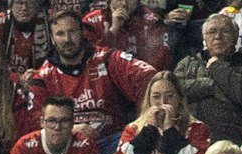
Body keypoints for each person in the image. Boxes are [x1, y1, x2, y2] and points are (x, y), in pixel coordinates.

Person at [27, 10, 158, 145]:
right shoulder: (42, 77)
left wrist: (140, 121)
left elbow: (149, 75)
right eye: (60, 34)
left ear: (82, 33)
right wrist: (70, 130)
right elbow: (34, 121)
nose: (67, 39)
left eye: (72, 32)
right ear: (52, 39)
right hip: (66, 147)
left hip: (111, 142)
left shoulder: (107, 59)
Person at [177, 14, 242, 142]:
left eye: (225, 31)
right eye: (212, 32)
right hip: (189, 141)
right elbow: (176, 91)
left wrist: (216, 67)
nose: (218, 37)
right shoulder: (187, 63)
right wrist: (212, 86)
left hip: (230, 142)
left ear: (236, 37)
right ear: (204, 38)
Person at [85, 0, 174, 72]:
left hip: (139, 79)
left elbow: (160, 63)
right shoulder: (91, 22)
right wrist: (114, 30)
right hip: (104, 82)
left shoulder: (152, 21)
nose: (123, 3)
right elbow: (89, 63)